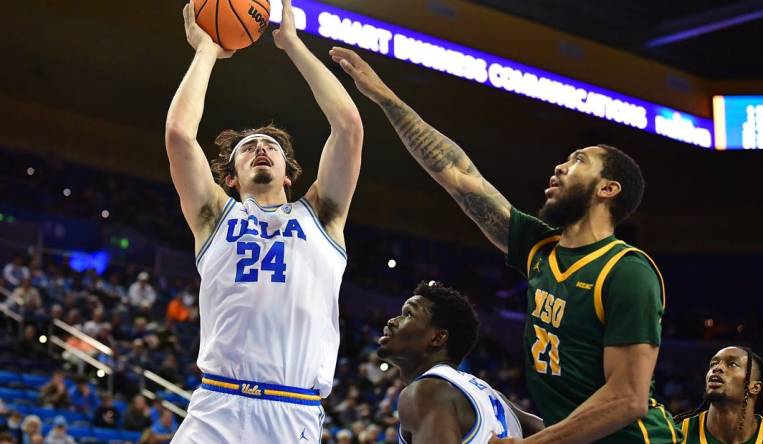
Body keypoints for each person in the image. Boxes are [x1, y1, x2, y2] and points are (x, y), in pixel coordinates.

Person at [331, 47, 676, 443]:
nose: (561, 166)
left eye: (579, 160)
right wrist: (384, 97)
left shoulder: (627, 271)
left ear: (608, 189)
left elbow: (628, 399)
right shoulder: (540, 250)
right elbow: (460, 176)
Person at [164, 0, 362, 441]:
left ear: (289, 174)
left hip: (292, 413)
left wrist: (292, 44)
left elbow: (347, 126)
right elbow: (179, 134)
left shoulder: (322, 215)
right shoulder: (214, 215)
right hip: (215, 406)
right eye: (248, 147)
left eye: (269, 146)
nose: (260, 149)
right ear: (230, 178)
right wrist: (206, 51)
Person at [378, 281, 543, 443]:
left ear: (437, 337)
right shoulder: (492, 396)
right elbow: (560, 434)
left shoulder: (425, 391)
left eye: (408, 314)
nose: (392, 320)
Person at [674, 346, 763, 443]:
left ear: (754, 387)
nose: (717, 368)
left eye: (731, 364)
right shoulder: (679, 435)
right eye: (713, 364)